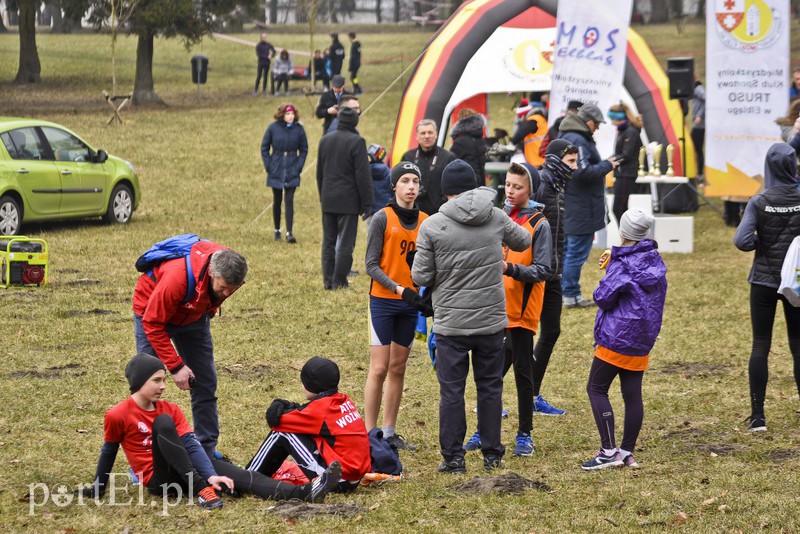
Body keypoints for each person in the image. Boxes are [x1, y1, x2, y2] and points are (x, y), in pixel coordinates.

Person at [76, 354, 341, 509]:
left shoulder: (170, 408)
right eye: (156, 380)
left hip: (190, 471)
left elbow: (191, 445)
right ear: (138, 384)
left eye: (164, 380)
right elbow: (108, 451)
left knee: (239, 474)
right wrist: (97, 489)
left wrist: (212, 475)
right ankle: (202, 489)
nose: (163, 386)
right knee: (163, 424)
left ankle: (303, 493)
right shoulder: (118, 414)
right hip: (162, 480)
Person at [411, 159, 531, 473]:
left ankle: (453, 457)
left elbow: (421, 276)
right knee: (490, 387)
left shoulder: (432, 225)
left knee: (452, 390)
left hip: (451, 323)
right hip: (491, 321)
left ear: (445, 190)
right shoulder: (494, 215)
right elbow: (524, 240)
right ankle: (492, 454)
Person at [464, 163, 552, 457]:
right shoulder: (497, 217)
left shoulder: (540, 223)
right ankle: (483, 431)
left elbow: (543, 270)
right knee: (490, 376)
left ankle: (524, 435)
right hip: (492, 309)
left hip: (521, 313)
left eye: (518, 187)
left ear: (531, 190)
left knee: (523, 375)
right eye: (509, 186)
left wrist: (510, 268)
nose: (512, 192)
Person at [133, 241, 248, 458]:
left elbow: (220, 291)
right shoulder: (177, 278)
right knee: (147, 385)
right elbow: (153, 323)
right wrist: (176, 367)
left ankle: (206, 450)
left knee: (205, 381)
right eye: (222, 287)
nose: (226, 293)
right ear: (212, 272)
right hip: (151, 311)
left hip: (194, 313)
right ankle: (144, 457)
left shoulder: (231, 277)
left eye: (231, 289)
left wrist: (210, 307)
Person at [582, 209, 667, 470]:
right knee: (632, 395)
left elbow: (602, 297)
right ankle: (626, 451)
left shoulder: (621, 264)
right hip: (642, 339)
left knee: (596, 388)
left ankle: (608, 451)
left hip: (616, 337)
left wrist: (610, 267)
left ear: (623, 232)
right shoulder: (655, 260)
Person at [734, 142, 800, 433]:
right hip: (795, 283)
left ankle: (758, 416)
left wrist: (761, 244)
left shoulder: (759, 200)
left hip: (763, 280)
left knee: (761, 344)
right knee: (798, 347)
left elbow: (741, 241)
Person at [364, 162, 429, 452]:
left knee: (398, 368)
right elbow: (370, 266)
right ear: (394, 186)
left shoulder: (427, 221)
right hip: (383, 302)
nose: (411, 186)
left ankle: (390, 433)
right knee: (379, 368)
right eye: (405, 180)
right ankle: (369, 433)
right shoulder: (381, 218)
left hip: (410, 304)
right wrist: (399, 289)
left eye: (415, 181)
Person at [246, 356, 371, 491]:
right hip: (353, 477)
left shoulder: (320, 409)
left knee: (283, 433)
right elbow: (306, 415)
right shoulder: (343, 400)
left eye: (305, 382)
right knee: (300, 430)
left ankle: (248, 478)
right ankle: (252, 475)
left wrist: (278, 404)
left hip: (337, 480)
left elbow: (276, 421)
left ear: (313, 385)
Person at [530, 140, 579, 416]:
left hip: (553, 273)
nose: (574, 167)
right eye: (570, 161)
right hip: (535, 274)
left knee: (552, 330)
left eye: (575, 161)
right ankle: (490, 398)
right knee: (516, 341)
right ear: (555, 160)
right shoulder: (541, 185)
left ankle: (533, 394)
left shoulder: (558, 187)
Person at [558, 103, 620, 308]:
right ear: (588, 121)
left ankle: (565, 293)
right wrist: (607, 165)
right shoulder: (578, 140)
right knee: (575, 254)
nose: (598, 128)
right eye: (597, 123)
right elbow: (583, 173)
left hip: (575, 204)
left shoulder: (571, 136)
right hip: (581, 206)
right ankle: (571, 296)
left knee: (569, 252)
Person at [316, 106, 373, 289]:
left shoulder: (325, 140)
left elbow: (320, 174)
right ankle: (339, 281)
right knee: (345, 244)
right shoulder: (357, 142)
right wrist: (367, 203)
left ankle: (327, 280)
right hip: (348, 200)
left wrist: (322, 196)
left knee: (328, 242)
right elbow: (363, 176)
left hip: (328, 198)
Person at [261, 103, 309, 244]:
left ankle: (289, 232)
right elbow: (264, 147)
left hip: (292, 168)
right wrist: (269, 165)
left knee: (289, 200)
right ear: (282, 115)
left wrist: (298, 166)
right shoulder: (273, 128)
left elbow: (304, 149)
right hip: (276, 167)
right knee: (277, 200)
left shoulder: (299, 130)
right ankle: (277, 229)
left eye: (292, 114)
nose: (290, 116)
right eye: (288, 114)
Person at [401, 119, 458, 215]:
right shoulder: (408, 157)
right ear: (417, 136)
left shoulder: (448, 157)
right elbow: (400, 185)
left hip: (440, 214)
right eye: (423, 133)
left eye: (430, 133)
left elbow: (454, 187)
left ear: (436, 135)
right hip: (413, 214)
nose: (427, 136)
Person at [607, 102, 645, 225]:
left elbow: (626, 154)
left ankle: (629, 237)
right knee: (621, 208)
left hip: (626, 174)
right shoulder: (624, 131)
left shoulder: (630, 132)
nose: (611, 122)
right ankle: (628, 237)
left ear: (618, 118)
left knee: (619, 209)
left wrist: (610, 161)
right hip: (622, 173)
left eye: (612, 119)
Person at [449, 108, 487, 182]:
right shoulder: (480, 139)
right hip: (480, 179)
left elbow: (450, 162)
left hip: (466, 181)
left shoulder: (460, 142)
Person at [364, 144, 392, 232]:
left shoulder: (364, 173)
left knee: (372, 237)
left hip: (371, 212)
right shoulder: (388, 173)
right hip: (386, 212)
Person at [691, 80, 706, 180]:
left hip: (699, 125)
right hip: (696, 124)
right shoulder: (694, 89)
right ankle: (697, 172)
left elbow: (708, 100)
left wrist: (699, 116)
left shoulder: (698, 89)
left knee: (697, 149)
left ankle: (700, 174)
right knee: (696, 149)